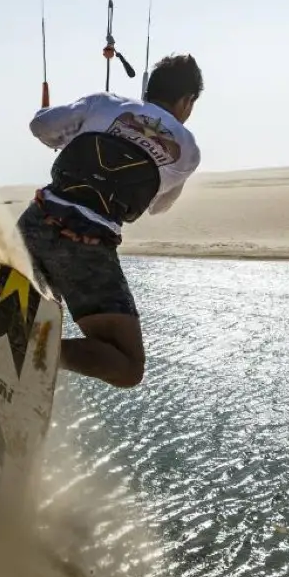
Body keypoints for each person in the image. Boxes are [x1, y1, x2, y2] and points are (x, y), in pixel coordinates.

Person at [16, 53, 203, 389]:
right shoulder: (187, 150)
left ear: (149, 89)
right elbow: (158, 208)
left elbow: (40, 127)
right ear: (187, 101)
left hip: (34, 223)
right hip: (85, 251)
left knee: (37, 299)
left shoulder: (104, 103)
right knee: (129, 366)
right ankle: (37, 352)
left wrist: (62, 135)